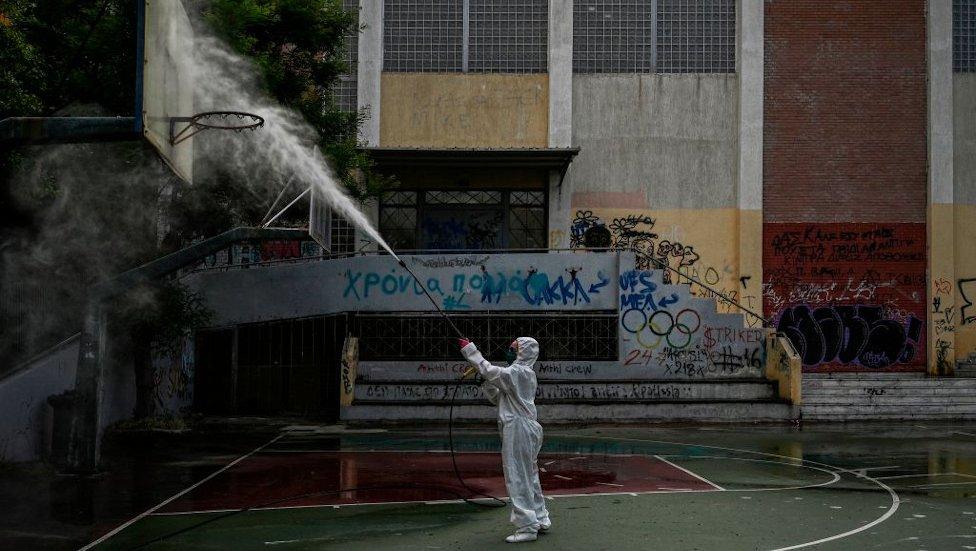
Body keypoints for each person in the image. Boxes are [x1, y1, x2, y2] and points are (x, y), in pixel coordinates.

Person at [459, 336, 550, 543]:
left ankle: (527, 526)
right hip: (523, 428)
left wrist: (470, 351)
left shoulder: (520, 372)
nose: (508, 351)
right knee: (529, 476)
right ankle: (540, 517)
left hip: (519, 429)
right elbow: (498, 398)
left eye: (513, 348)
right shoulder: (519, 375)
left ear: (523, 352)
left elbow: (491, 370)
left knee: (517, 476)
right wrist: (486, 383)